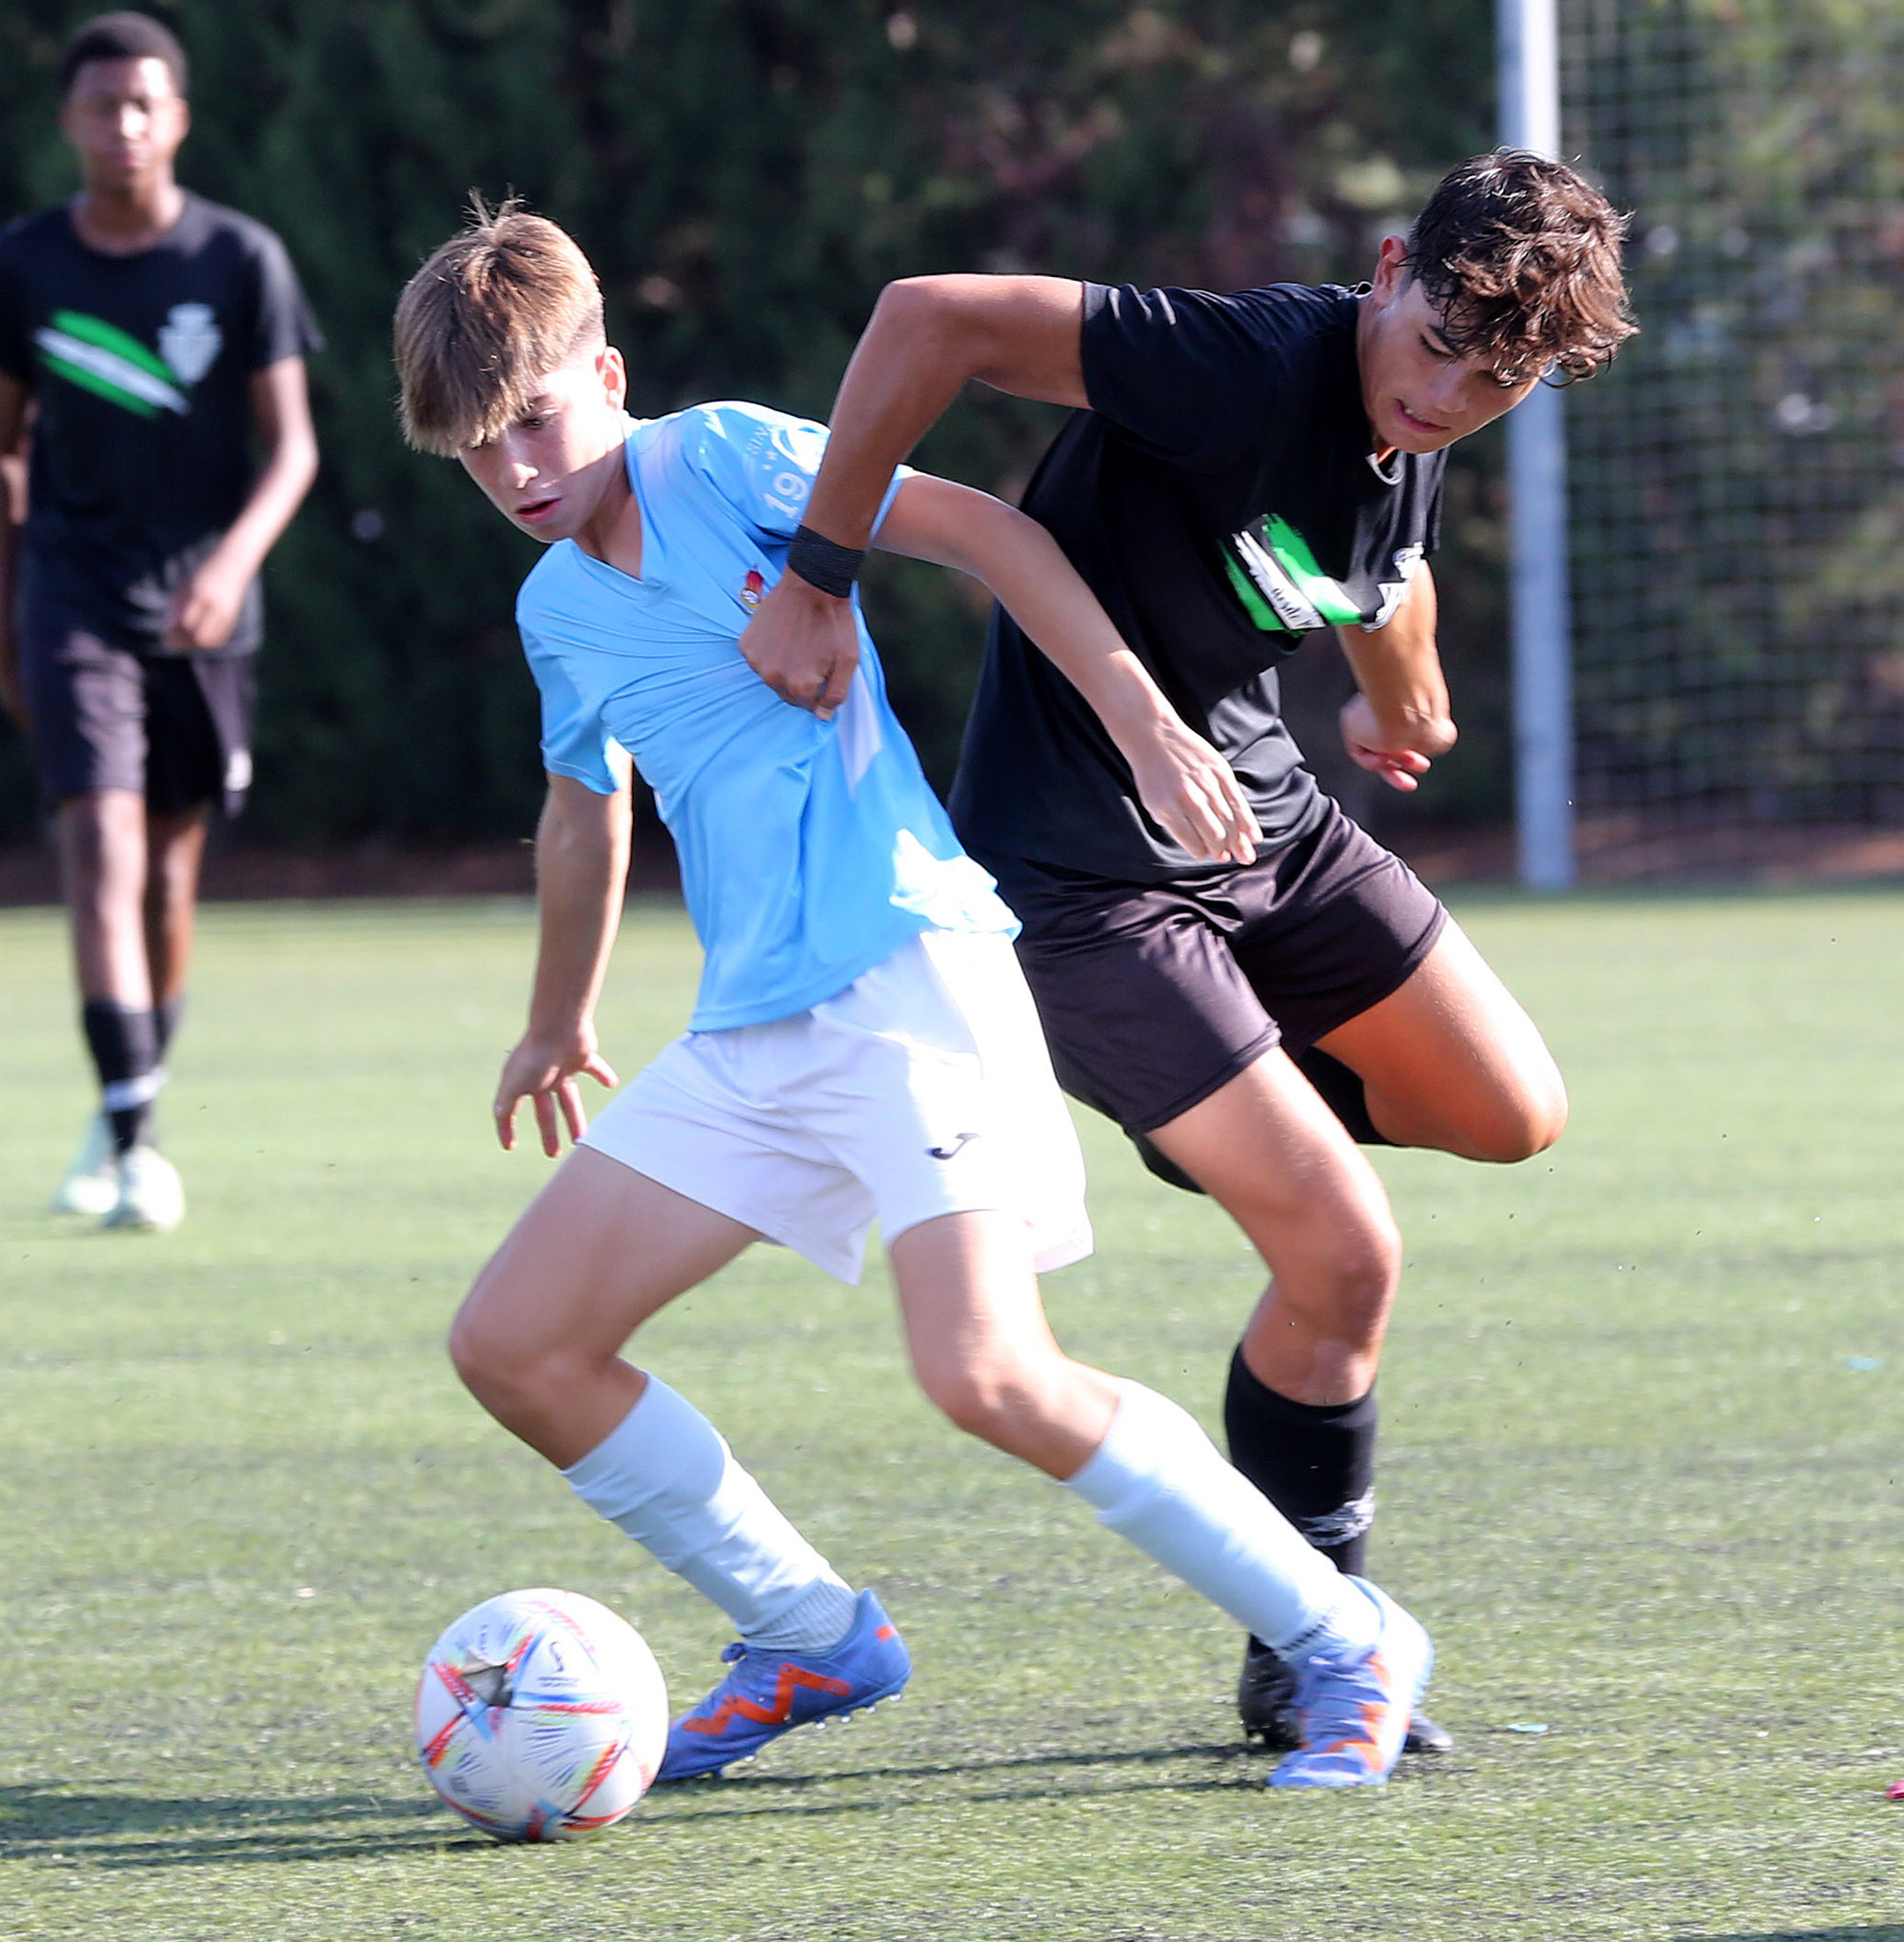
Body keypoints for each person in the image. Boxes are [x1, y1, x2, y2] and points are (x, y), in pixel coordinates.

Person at [392, 203, 1436, 1791]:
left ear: (605, 372)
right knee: (517, 1344)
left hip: (909, 974)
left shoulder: (722, 460)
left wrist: (1155, 735)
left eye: (535, 419)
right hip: (754, 1030)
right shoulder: (552, 610)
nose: (520, 472)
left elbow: (1001, 538)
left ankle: (1343, 1636)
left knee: (987, 1376)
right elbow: (583, 808)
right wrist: (558, 1016)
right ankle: (809, 1635)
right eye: (480, 453)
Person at [728, 149, 1636, 1753]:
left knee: (1513, 1110)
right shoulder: (1233, 361)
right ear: (1385, 267)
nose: (1452, 394)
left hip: (1265, 832)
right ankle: (1312, 1648)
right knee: (1344, 1256)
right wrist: (821, 568)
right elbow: (924, 317)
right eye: (1439, 342)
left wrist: (1398, 692)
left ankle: (1217, 1107)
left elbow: (1381, 566)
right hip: (1085, 886)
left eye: (1503, 379)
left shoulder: (1417, 419)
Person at [0, 12, 320, 1230]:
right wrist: (6, 621)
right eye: (100, 106)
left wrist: (233, 565)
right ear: (69, 121)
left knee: (167, 883)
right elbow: (3, 460)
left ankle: (126, 1101)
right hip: (71, 598)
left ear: (177, 117)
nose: (123, 126)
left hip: (202, 613)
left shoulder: (240, 260)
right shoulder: (24, 264)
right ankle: (135, 1143)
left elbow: (293, 450)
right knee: (98, 850)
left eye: (145, 104)